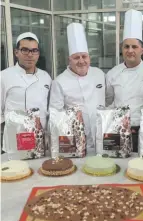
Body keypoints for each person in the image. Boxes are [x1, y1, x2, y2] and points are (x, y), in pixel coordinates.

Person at [106, 9, 143, 152]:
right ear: (122, 49)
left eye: (134, 47)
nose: (130, 50)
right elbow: (108, 100)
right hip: (119, 129)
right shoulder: (113, 73)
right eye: (126, 46)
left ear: (142, 50)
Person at [49, 23, 105, 153]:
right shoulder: (59, 82)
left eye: (84, 56)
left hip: (102, 136)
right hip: (75, 140)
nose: (81, 61)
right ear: (69, 60)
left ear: (89, 57)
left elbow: (108, 99)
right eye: (76, 57)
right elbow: (55, 115)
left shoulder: (99, 74)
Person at [1, 32, 51, 153]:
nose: (30, 55)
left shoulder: (46, 77)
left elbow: (49, 108)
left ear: (38, 54)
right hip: (15, 141)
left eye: (34, 50)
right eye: (25, 50)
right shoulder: (4, 76)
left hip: (40, 139)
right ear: (16, 52)